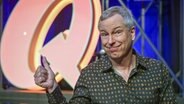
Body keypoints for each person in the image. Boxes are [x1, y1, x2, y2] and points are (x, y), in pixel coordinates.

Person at [34, 6, 176, 104]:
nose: (110, 41)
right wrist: (52, 87)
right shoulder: (90, 75)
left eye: (117, 32)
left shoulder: (157, 71)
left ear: (132, 33)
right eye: (104, 34)